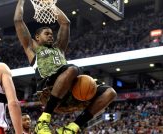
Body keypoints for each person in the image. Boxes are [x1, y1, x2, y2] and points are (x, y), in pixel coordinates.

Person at [14, 0, 117, 133]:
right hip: (48, 90)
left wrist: (51, 5)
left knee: (110, 92)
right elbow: (18, 20)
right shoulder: (32, 49)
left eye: (52, 33)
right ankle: (43, 120)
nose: (51, 35)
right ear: (37, 37)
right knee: (73, 69)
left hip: (69, 94)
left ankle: (71, 128)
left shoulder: (59, 49)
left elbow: (65, 23)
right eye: (47, 33)